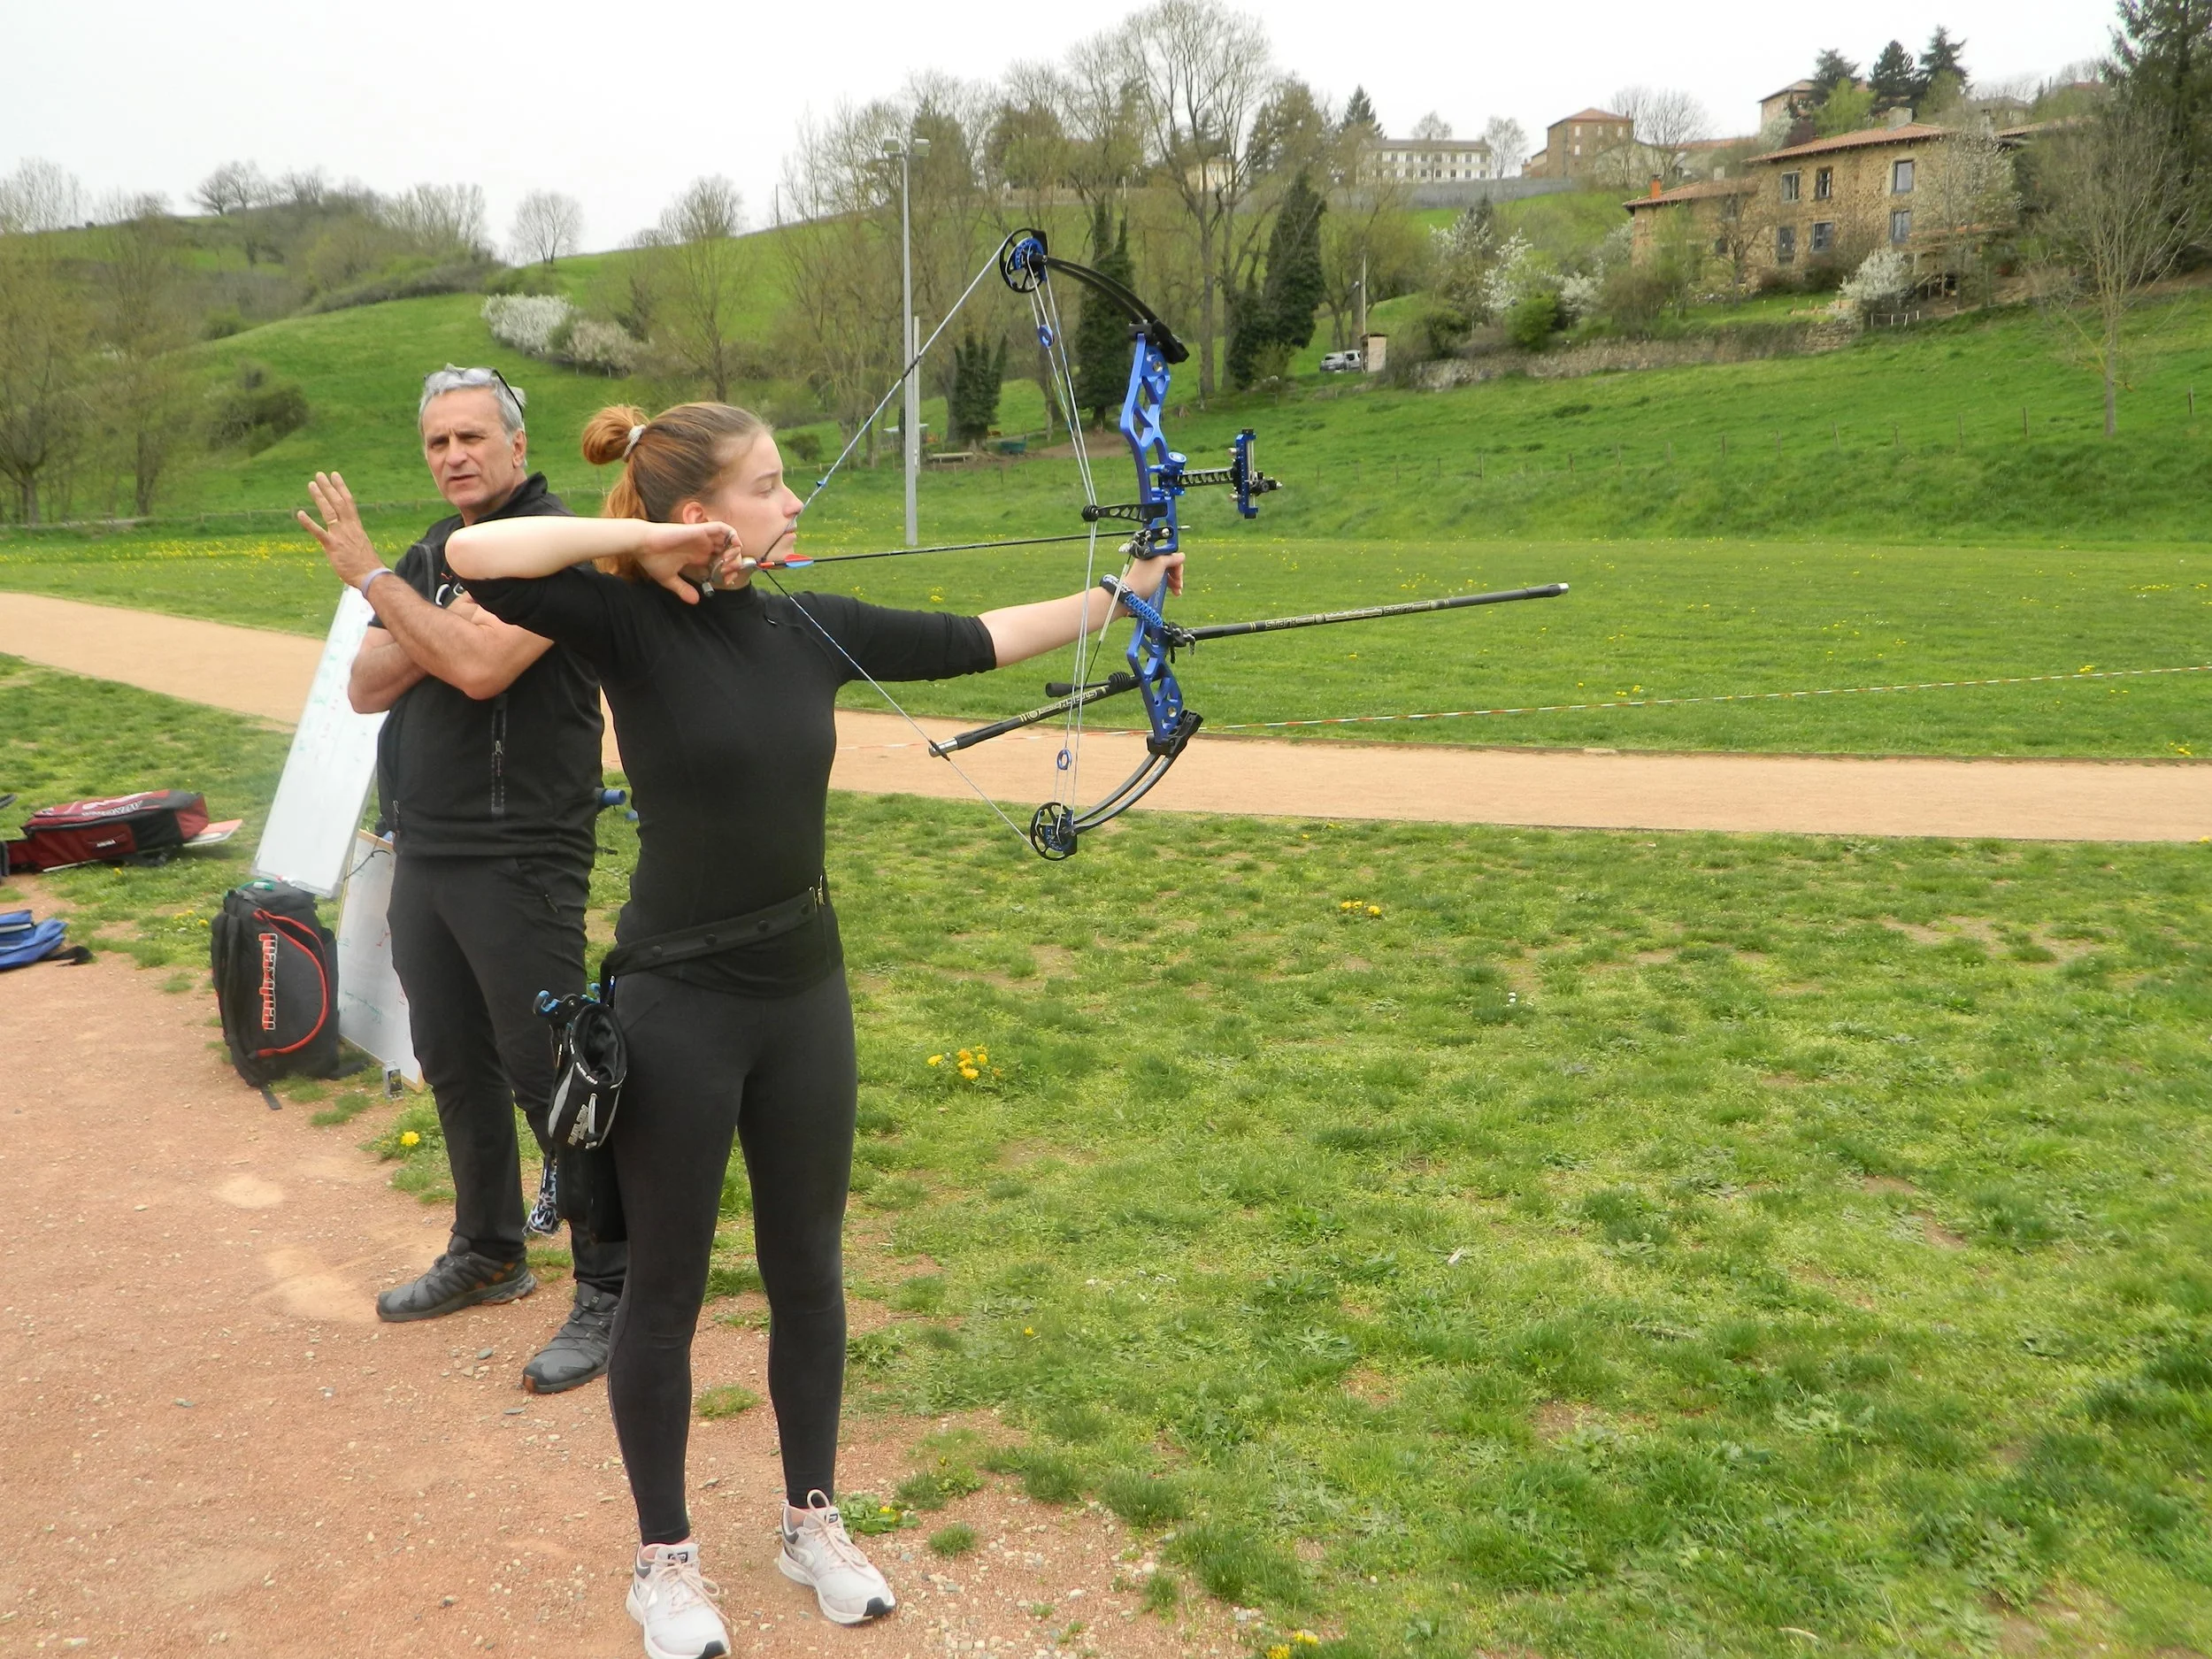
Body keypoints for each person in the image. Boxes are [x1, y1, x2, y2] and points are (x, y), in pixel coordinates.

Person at [443, 400, 1181, 1655]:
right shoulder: (622, 617)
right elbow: (477, 557)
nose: (796, 505)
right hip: (679, 1003)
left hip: (804, 992)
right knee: (665, 1285)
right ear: (701, 515)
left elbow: (978, 636)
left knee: (811, 1269)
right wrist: (637, 552)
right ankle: (664, 1559)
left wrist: (1123, 593)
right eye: (771, 486)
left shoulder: (806, 622)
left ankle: (809, 1517)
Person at [296, 365, 626, 1394]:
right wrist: (422, 618)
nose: (455, 457)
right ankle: (489, 1250)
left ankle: (613, 1285)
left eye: (473, 438)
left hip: (522, 848)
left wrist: (383, 593)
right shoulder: (432, 553)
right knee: (453, 1059)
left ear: (518, 448)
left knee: (549, 1076)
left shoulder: (556, 548)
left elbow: (480, 668)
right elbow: (364, 684)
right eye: (438, 442)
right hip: (425, 845)